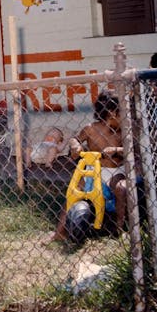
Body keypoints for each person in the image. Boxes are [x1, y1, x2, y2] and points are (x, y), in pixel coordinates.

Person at [51, 91, 127, 242]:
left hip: (115, 171)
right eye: (123, 113)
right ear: (112, 113)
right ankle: (60, 232)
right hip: (94, 171)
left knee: (121, 188)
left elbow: (134, 150)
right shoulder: (90, 129)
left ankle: (119, 228)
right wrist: (75, 146)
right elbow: (75, 139)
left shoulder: (124, 131)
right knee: (75, 189)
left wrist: (117, 150)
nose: (126, 118)